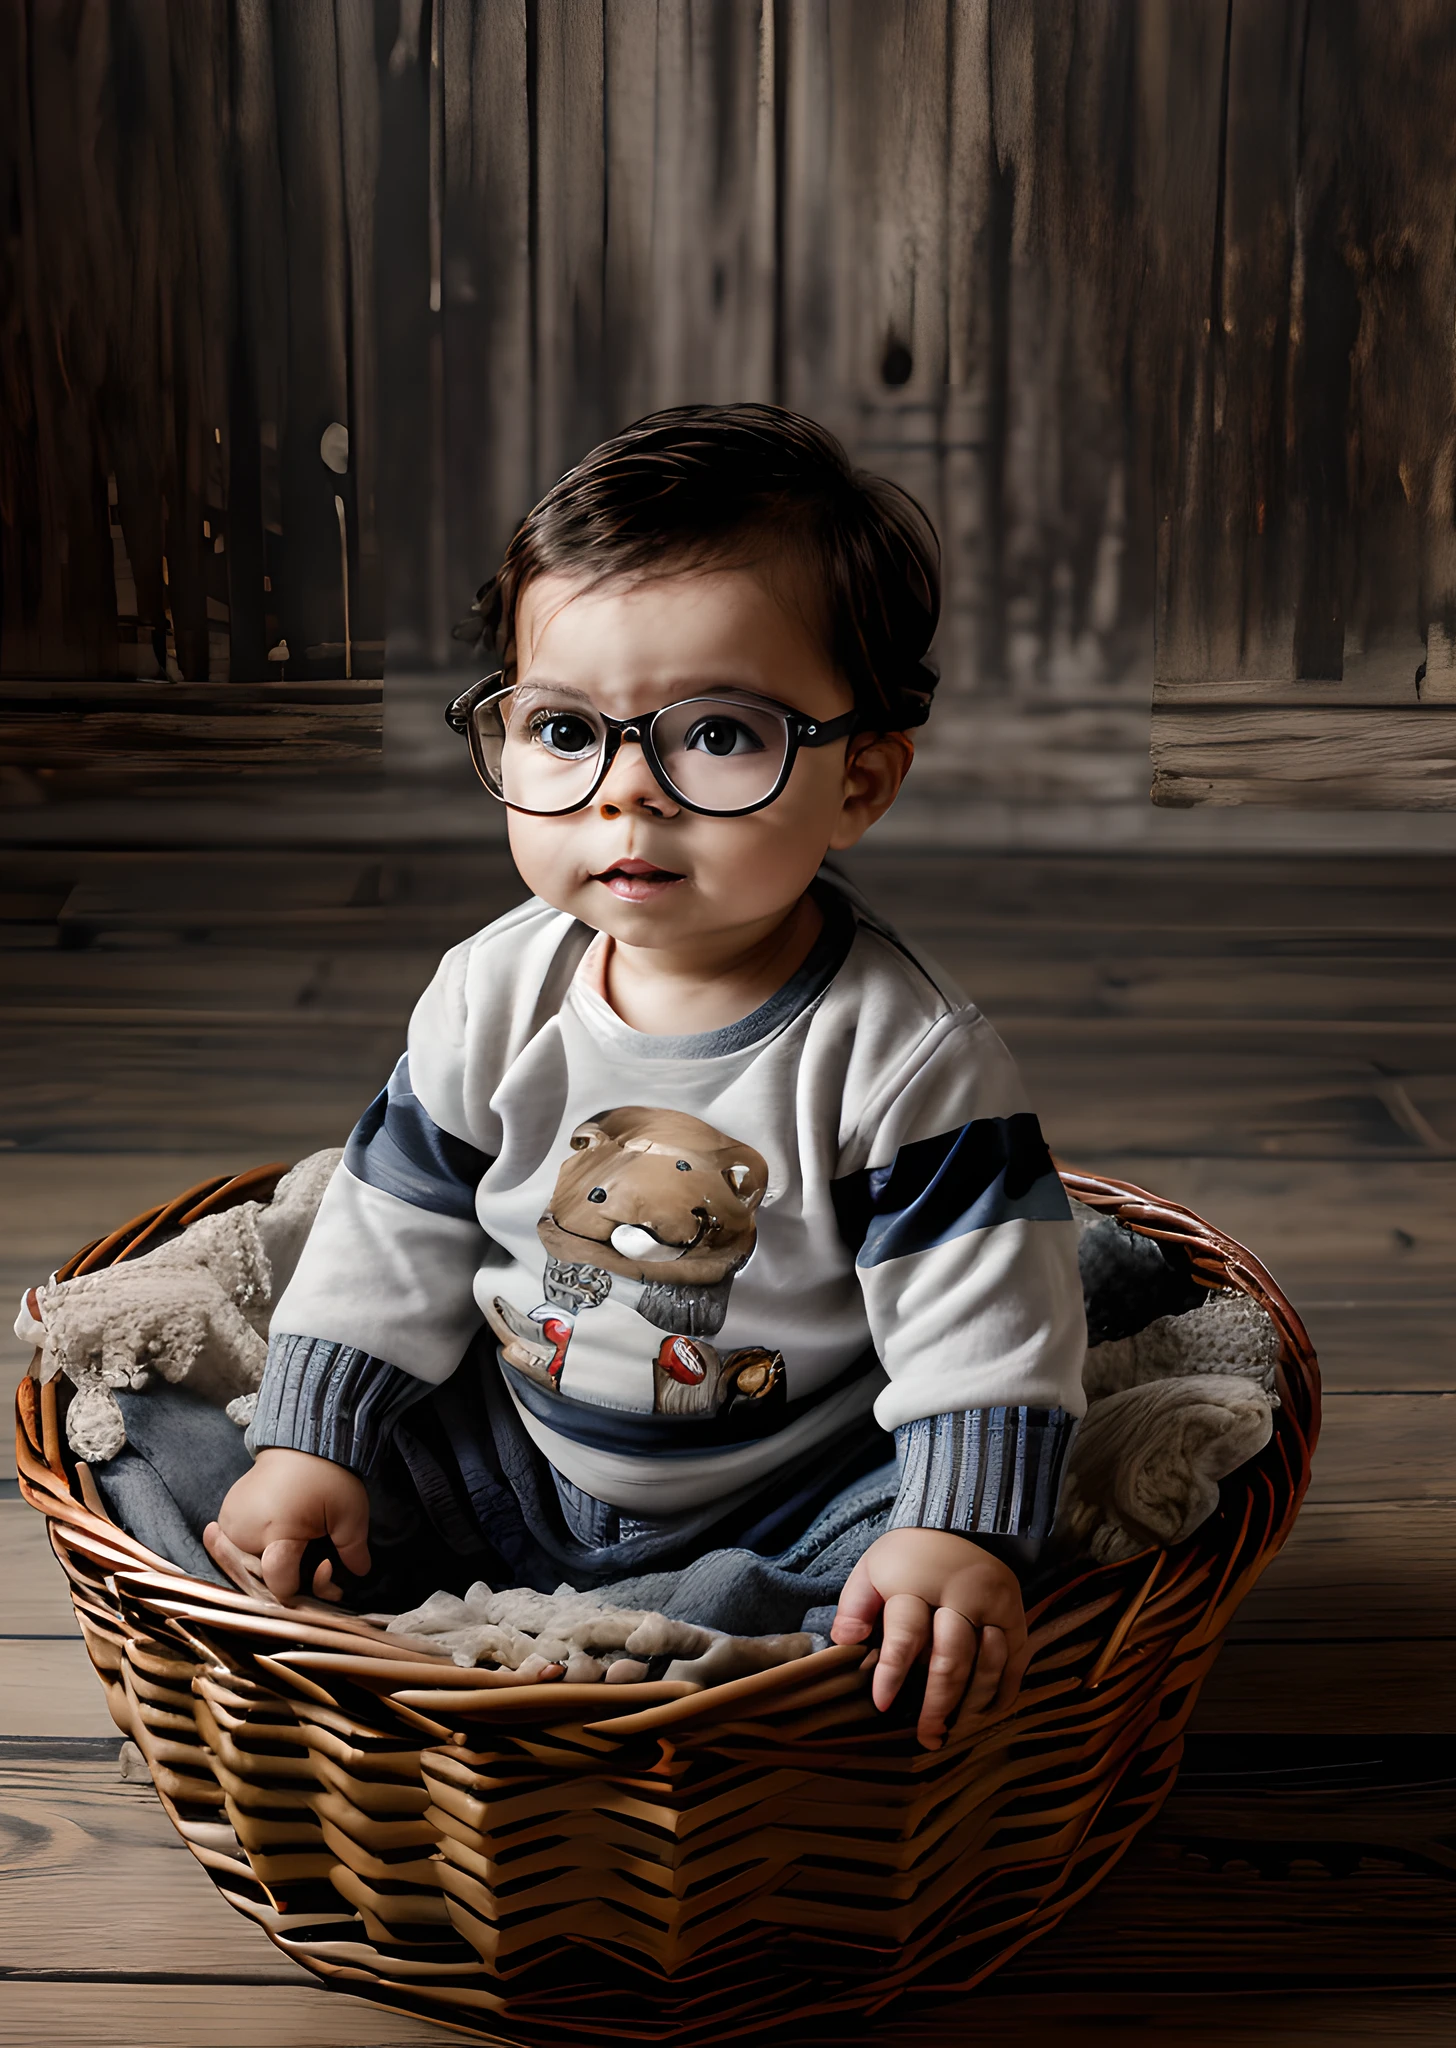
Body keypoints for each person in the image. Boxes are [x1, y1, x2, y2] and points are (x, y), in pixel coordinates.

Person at [208, 403, 1086, 1749]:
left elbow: (985, 1332)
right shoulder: (491, 993)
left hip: (792, 1473)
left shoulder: (901, 1056)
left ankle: (703, 1651)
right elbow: (393, 1235)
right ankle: (402, 1573)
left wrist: (959, 1532)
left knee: (923, 1585)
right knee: (209, 1462)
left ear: (861, 780)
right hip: (522, 1439)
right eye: (564, 733)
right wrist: (308, 1444)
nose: (629, 792)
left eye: (718, 734)